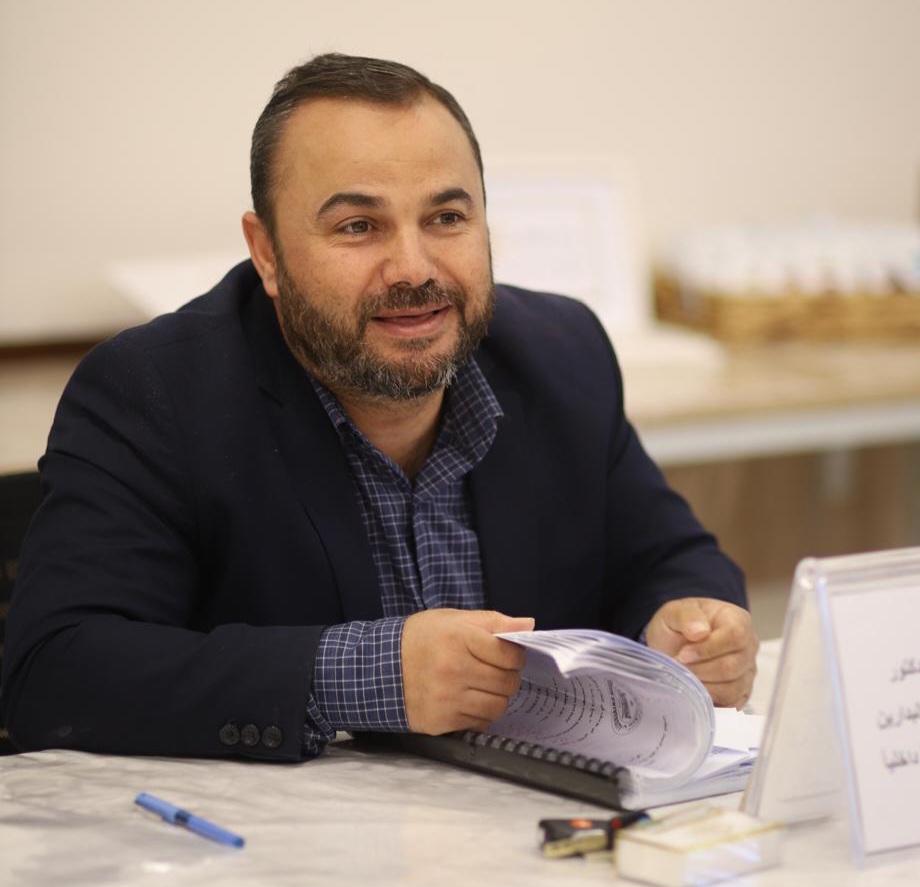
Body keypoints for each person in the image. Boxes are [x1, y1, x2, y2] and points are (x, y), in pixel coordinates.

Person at [2, 54, 757, 761]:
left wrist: (691, 622)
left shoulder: (562, 354)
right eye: (358, 227)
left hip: (536, 830)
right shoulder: (153, 391)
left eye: (447, 217)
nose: (413, 269)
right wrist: (373, 675)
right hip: (278, 845)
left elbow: (668, 556)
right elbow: (54, 670)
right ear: (266, 253)